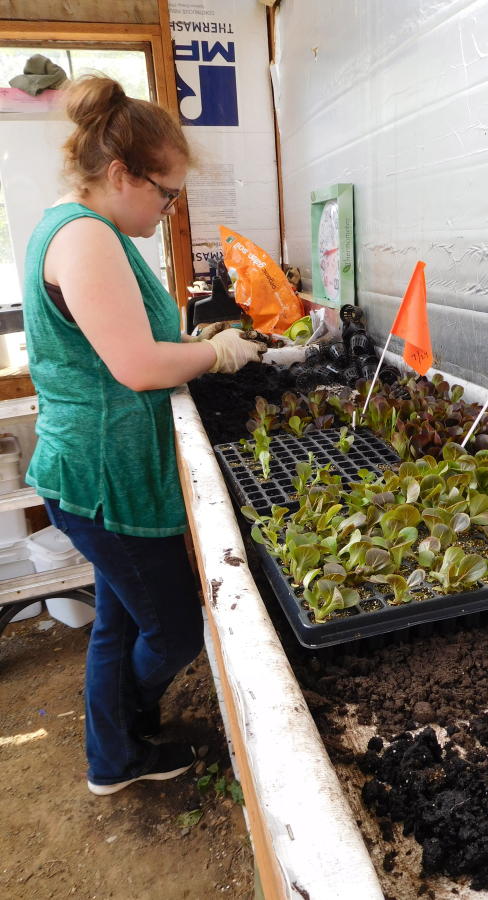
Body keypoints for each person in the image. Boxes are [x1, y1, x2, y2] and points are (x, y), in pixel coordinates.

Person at [22, 74, 264, 796]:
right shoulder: (87, 238)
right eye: (165, 193)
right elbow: (135, 366)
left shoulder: (76, 225)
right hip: (105, 476)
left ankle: (113, 752)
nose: (169, 207)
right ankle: (122, 732)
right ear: (120, 173)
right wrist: (215, 353)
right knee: (174, 630)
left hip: (95, 471)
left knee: (120, 622)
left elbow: (127, 339)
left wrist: (193, 336)